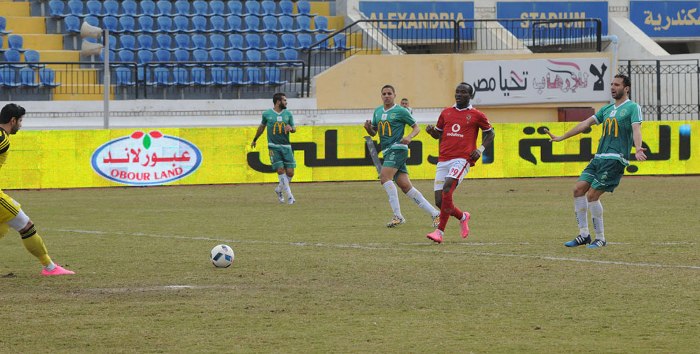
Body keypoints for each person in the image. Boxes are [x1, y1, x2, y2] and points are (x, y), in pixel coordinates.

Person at [546, 74, 646, 249]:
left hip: (615, 159)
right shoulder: (606, 109)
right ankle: (584, 234)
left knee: (592, 195)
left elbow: (636, 128)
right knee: (578, 190)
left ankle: (600, 238)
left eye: (617, 84)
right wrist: (561, 137)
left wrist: (637, 148)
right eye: (612, 84)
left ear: (626, 88)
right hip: (599, 157)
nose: (613, 87)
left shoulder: (632, 107)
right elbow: (585, 124)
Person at [0, 103, 74, 276]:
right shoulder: (2, 139)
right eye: (20, 121)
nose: (21, 124)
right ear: (13, 121)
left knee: (2, 228)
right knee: (26, 225)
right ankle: (49, 267)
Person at [424, 83, 495, 243]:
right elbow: (438, 135)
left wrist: (480, 149)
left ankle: (439, 232)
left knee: (448, 188)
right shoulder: (446, 112)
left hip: (462, 158)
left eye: (463, 92)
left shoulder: (477, 115)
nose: (459, 94)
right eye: (457, 92)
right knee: (440, 201)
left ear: (470, 95)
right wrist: (432, 132)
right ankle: (463, 217)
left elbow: (491, 133)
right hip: (443, 159)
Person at [364, 85, 440, 228]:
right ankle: (435, 214)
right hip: (387, 150)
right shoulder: (377, 111)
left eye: (389, 93)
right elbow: (374, 133)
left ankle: (397, 216)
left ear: (394, 95)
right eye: (384, 94)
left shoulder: (401, 111)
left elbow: (416, 127)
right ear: (381, 96)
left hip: (398, 148)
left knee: (384, 177)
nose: (387, 96)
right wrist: (368, 128)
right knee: (406, 187)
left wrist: (409, 137)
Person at [251, 92, 297, 205]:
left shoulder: (288, 114)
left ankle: (279, 190)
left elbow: (294, 129)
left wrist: (291, 128)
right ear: (278, 102)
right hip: (273, 147)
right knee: (280, 170)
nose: (286, 102)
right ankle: (290, 196)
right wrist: (255, 139)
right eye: (284, 100)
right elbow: (261, 128)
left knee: (290, 173)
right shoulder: (267, 114)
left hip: (286, 147)